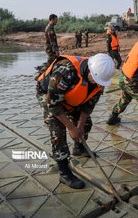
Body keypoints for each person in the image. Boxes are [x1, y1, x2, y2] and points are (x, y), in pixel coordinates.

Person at [36, 53, 115, 189]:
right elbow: (53, 104)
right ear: (90, 70)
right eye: (95, 79)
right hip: (49, 96)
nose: (97, 84)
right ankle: (64, 173)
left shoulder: (99, 79)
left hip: (70, 96)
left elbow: (88, 105)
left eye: (100, 82)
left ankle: (79, 148)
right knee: (58, 131)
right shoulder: (65, 71)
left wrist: (80, 127)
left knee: (86, 124)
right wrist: (71, 128)